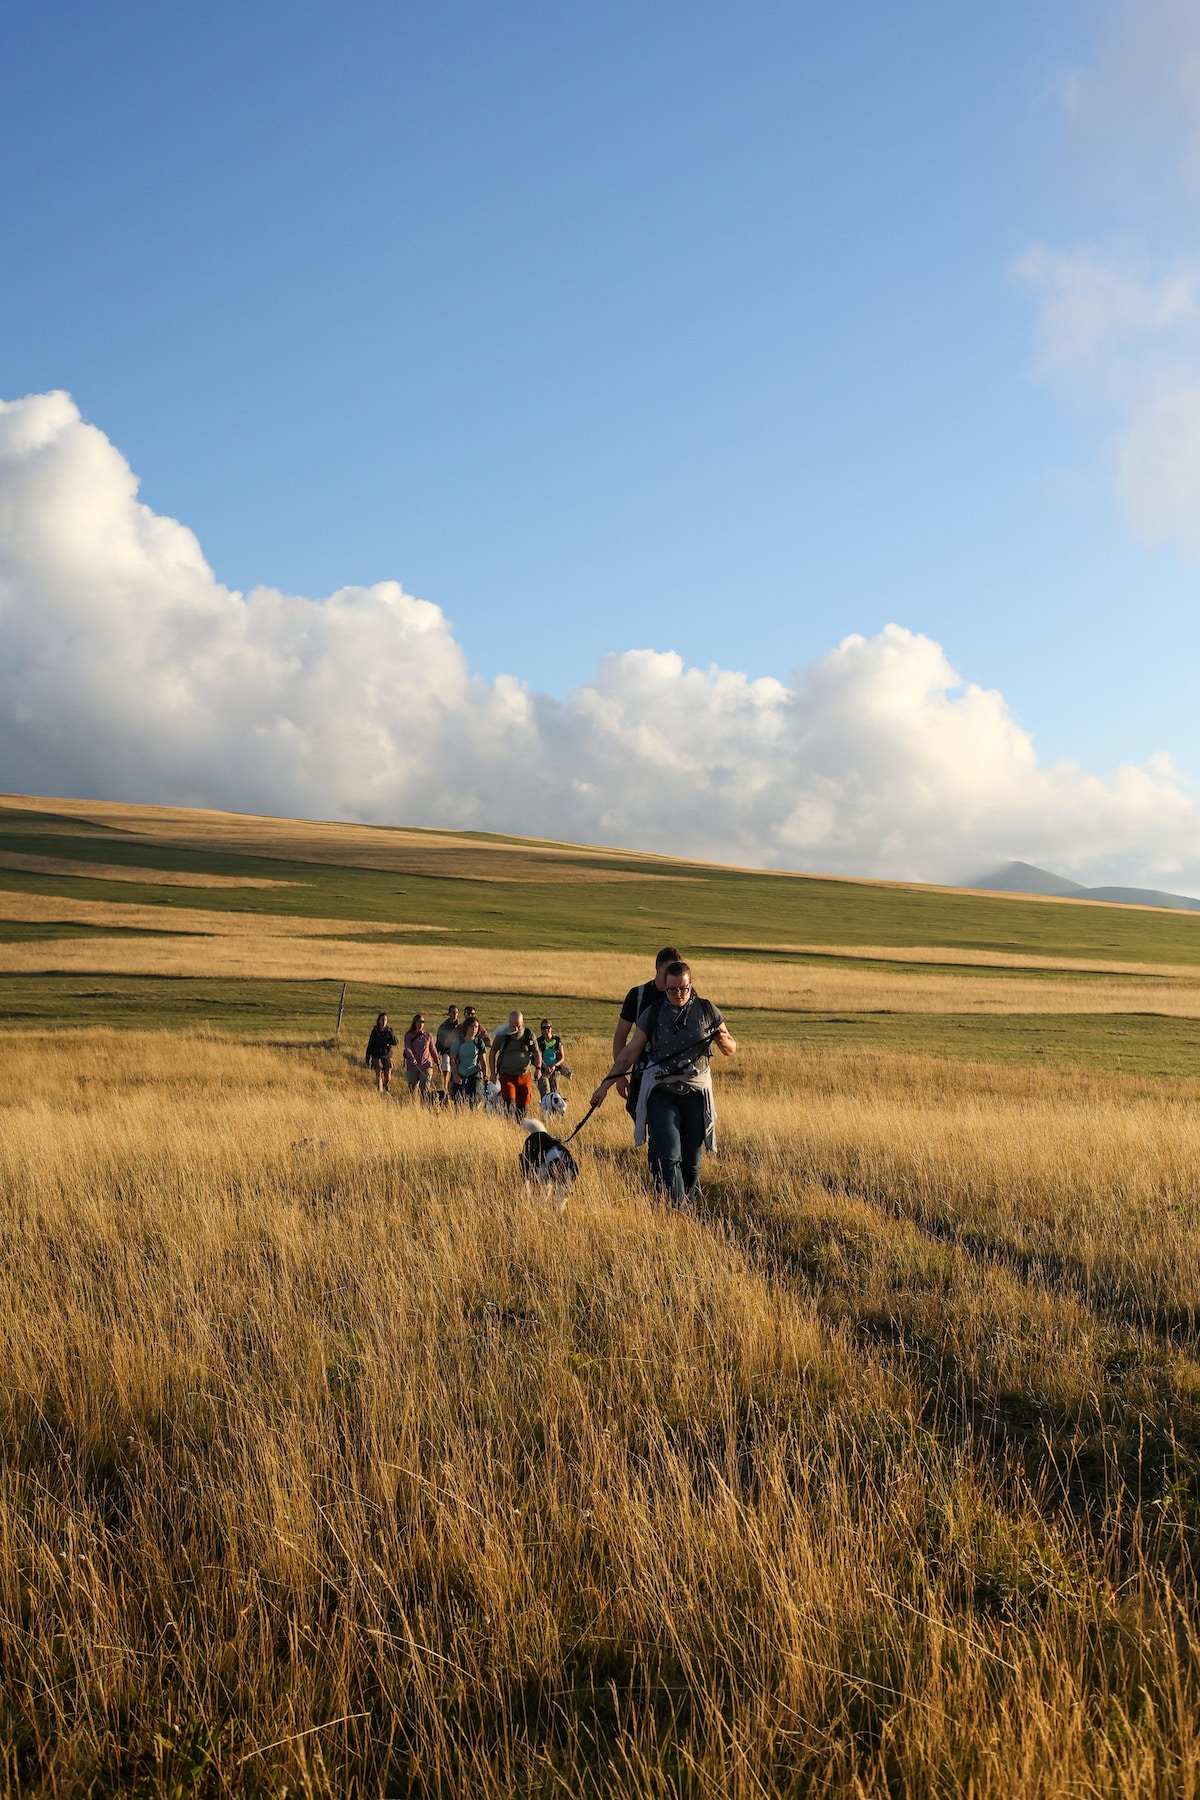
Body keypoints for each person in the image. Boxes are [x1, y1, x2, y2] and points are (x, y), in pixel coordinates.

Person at [590, 961, 736, 1209]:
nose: (678, 994)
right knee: (668, 1155)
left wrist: (722, 1040)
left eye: (684, 988)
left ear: (691, 985)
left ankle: (678, 1206)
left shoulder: (707, 1010)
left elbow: (732, 1048)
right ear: (665, 987)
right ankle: (681, 1210)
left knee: (692, 1161)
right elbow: (629, 1053)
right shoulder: (653, 1013)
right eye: (672, 989)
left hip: (695, 1093)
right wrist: (605, 1085)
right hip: (661, 1091)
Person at [612, 946, 681, 1122]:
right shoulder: (638, 996)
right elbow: (621, 1035)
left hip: (675, 1078)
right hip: (643, 1076)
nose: (672, 977)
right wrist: (619, 1076)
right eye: (668, 970)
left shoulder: (683, 997)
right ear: (657, 968)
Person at [489, 1009, 543, 1120]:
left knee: (523, 1105)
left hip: (524, 1075)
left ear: (523, 1023)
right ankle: (510, 1123)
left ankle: (519, 1125)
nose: (516, 1029)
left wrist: (538, 1068)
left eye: (518, 1026)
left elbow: (537, 1052)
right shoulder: (503, 1035)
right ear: (509, 1024)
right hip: (507, 1075)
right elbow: (493, 1052)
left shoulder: (528, 1035)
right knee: (510, 1102)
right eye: (513, 1026)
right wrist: (493, 1073)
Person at [403, 1012, 442, 1102]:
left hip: (426, 1065)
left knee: (424, 1088)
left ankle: (424, 1105)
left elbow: (433, 1050)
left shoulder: (428, 1036)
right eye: (419, 1022)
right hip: (413, 1066)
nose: (421, 1024)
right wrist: (411, 1057)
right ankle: (413, 1106)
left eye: (423, 1022)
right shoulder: (408, 1035)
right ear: (415, 1023)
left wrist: (438, 1064)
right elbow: (407, 1047)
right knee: (412, 1089)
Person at [450, 1016, 485, 1106]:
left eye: (476, 1027)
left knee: (474, 1100)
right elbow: (452, 1059)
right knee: (458, 1101)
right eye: (471, 1026)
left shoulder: (479, 1043)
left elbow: (483, 1061)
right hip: (460, 1074)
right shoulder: (458, 1042)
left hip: (474, 1074)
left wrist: (485, 1075)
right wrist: (455, 1074)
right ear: (466, 1027)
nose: (474, 1029)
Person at [536, 1018, 573, 1097]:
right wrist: (544, 1066)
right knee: (545, 1093)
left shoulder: (557, 1040)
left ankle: (554, 1109)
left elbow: (562, 1057)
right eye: (544, 1028)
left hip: (555, 1070)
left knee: (555, 1094)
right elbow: (537, 1056)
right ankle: (545, 1109)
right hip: (543, 1071)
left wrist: (555, 1065)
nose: (546, 1030)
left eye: (548, 1027)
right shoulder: (539, 1041)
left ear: (551, 1028)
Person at [364, 1012, 399, 1094]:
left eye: (385, 1020)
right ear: (379, 1021)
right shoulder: (375, 1031)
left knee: (387, 1075)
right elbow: (370, 1044)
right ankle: (379, 1090)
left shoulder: (389, 1031)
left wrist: (390, 1034)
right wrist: (368, 1057)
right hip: (377, 1055)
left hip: (387, 1055)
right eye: (382, 1020)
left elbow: (395, 1042)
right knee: (378, 1071)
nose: (384, 1022)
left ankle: (386, 1085)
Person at [434, 1005, 460, 1084]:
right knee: (446, 1063)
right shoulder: (443, 1026)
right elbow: (439, 1040)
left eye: (456, 1012)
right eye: (453, 1012)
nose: (455, 1014)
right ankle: (445, 1083)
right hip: (446, 1050)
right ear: (449, 1013)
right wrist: (437, 1052)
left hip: (458, 1051)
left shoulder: (460, 1026)